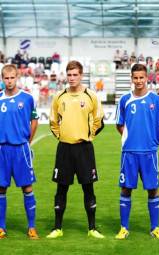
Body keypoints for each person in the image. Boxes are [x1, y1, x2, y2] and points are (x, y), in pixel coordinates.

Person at [47, 61, 105, 239]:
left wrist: (88, 135)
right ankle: (57, 228)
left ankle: (92, 228)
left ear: (81, 75)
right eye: (69, 75)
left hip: (84, 149)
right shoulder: (59, 96)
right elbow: (53, 122)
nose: (71, 78)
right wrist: (62, 136)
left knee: (88, 188)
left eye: (75, 75)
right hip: (64, 149)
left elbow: (98, 120)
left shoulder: (90, 96)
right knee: (61, 189)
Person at [114, 64, 159, 240]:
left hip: (149, 152)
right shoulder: (124, 100)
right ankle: (124, 228)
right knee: (126, 189)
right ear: (131, 78)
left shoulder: (156, 100)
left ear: (147, 78)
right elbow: (119, 124)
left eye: (141, 78)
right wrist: (130, 139)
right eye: (135, 78)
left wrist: (150, 140)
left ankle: (155, 228)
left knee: (153, 189)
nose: (138, 81)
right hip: (129, 152)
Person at [0, 64, 39, 239]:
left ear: (17, 77)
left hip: (21, 149)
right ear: (2, 79)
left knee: (27, 187)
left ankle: (31, 227)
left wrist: (27, 142)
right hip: (2, 150)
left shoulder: (27, 98)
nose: (9, 81)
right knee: (1, 189)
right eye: (6, 78)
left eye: (12, 78)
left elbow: (34, 121)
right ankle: (1, 227)